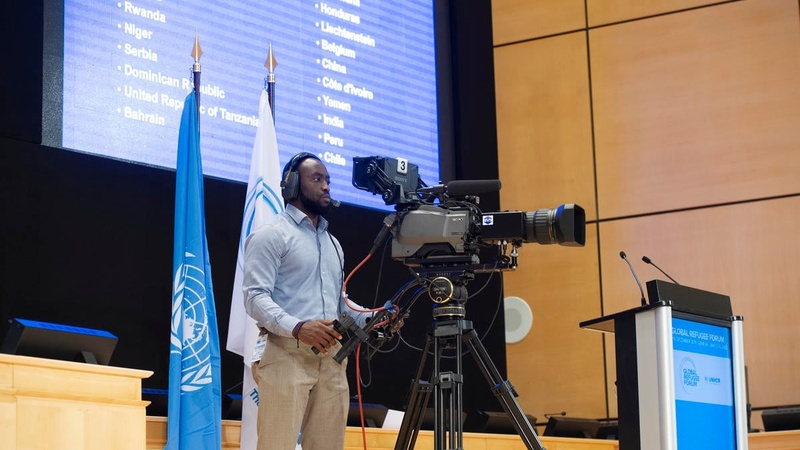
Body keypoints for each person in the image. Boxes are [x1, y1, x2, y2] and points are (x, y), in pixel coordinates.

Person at [242, 152, 371, 450]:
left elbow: (341, 305)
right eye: (317, 179)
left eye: (328, 180)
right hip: (286, 355)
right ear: (293, 186)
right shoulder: (271, 235)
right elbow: (254, 297)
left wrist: (376, 315)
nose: (326, 186)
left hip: (333, 361)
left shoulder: (333, 244)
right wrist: (299, 327)